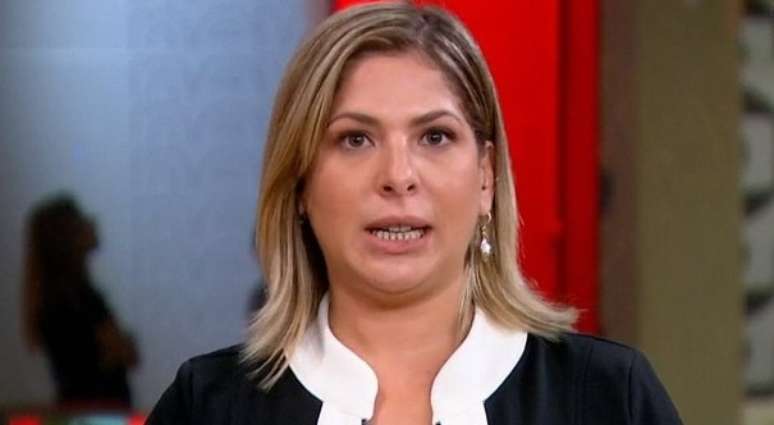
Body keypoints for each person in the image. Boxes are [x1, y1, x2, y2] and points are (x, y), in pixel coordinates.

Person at [147, 3, 682, 424]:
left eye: (435, 137)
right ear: (301, 183)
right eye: (355, 139)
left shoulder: (610, 397)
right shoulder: (207, 405)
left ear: (486, 177)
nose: (398, 176)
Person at [22, 194, 138, 410]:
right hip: (99, 413)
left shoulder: (58, 300)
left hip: (82, 413)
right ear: (68, 237)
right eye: (81, 220)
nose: (92, 222)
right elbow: (123, 353)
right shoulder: (78, 301)